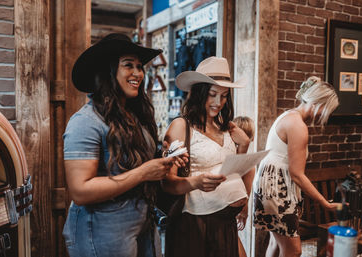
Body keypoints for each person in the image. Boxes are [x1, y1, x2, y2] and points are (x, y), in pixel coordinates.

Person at [62, 33, 185, 257]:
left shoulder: (134, 117)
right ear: (108, 71)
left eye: (140, 66)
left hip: (143, 222)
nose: (138, 73)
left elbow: (134, 165)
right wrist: (143, 173)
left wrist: (165, 157)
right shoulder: (85, 122)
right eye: (128, 65)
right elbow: (80, 191)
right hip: (101, 229)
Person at [162, 56, 254, 257]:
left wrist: (244, 146)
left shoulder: (227, 128)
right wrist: (196, 182)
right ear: (199, 93)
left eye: (224, 96)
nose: (218, 102)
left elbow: (233, 173)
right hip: (195, 224)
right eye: (212, 94)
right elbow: (167, 183)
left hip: (225, 223)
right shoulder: (181, 127)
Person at [252, 76, 340, 257]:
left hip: (270, 185)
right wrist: (324, 202)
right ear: (318, 104)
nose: (325, 115)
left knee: (275, 246)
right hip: (277, 190)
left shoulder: (289, 115)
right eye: (327, 110)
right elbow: (297, 173)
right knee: (293, 250)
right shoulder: (298, 126)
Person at [232, 116, 256, 257]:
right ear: (252, 138)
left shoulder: (224, 155)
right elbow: (244, 196)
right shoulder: (248, 165)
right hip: (229, 212)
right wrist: (244, 213)